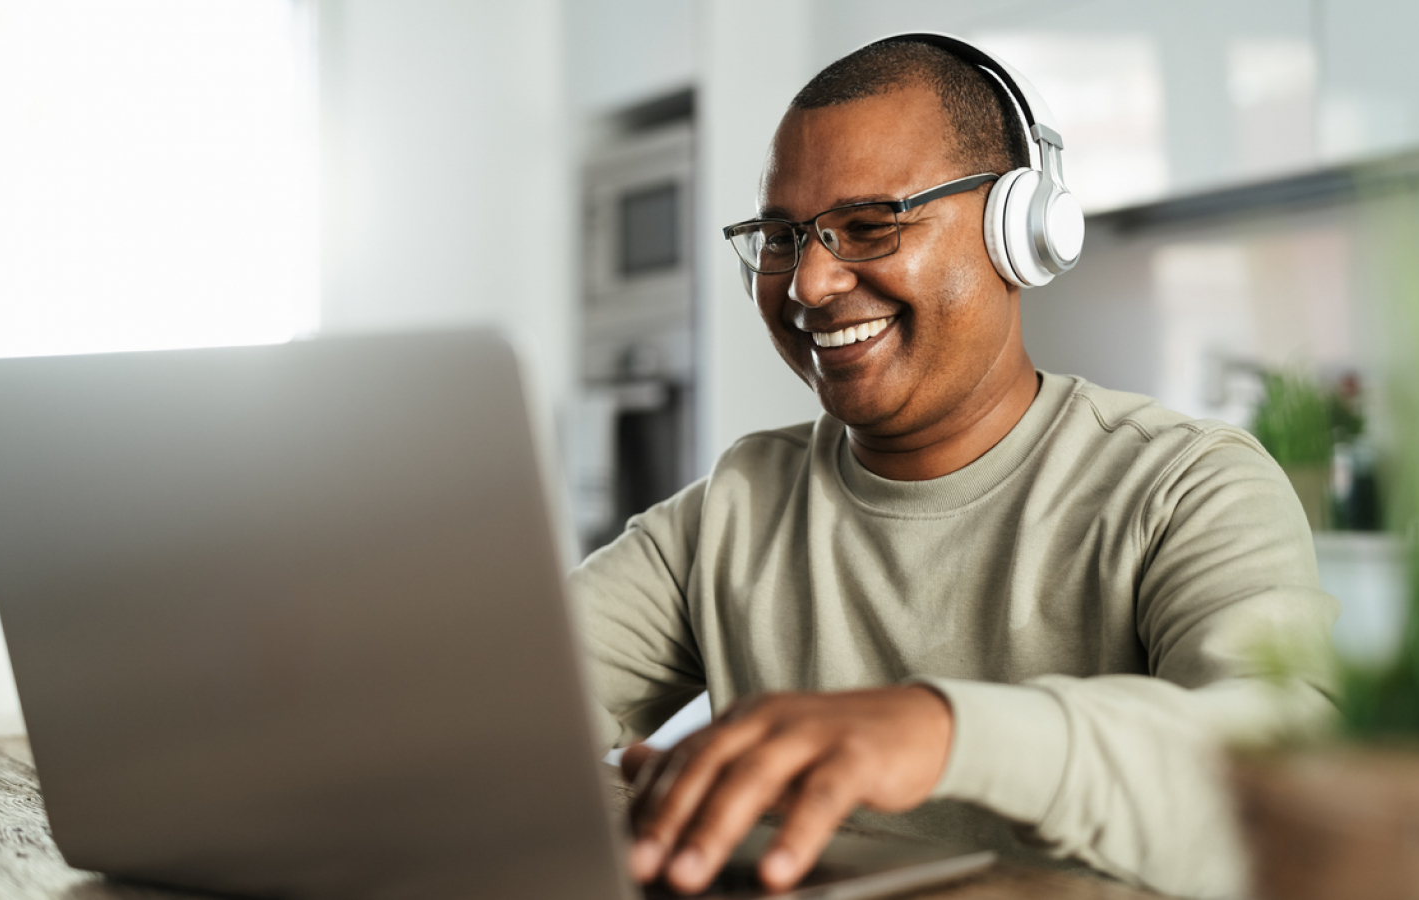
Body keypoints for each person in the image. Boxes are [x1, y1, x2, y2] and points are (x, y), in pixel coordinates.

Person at [568, 34, 1338, 899]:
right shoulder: (737, 508)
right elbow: (487, 712)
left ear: (1023, 231)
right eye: (782, 238)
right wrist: (640, 810)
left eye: (868, 226)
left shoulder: (1188, 488)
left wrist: (939, 732)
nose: (808, 283)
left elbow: (1285, 782)